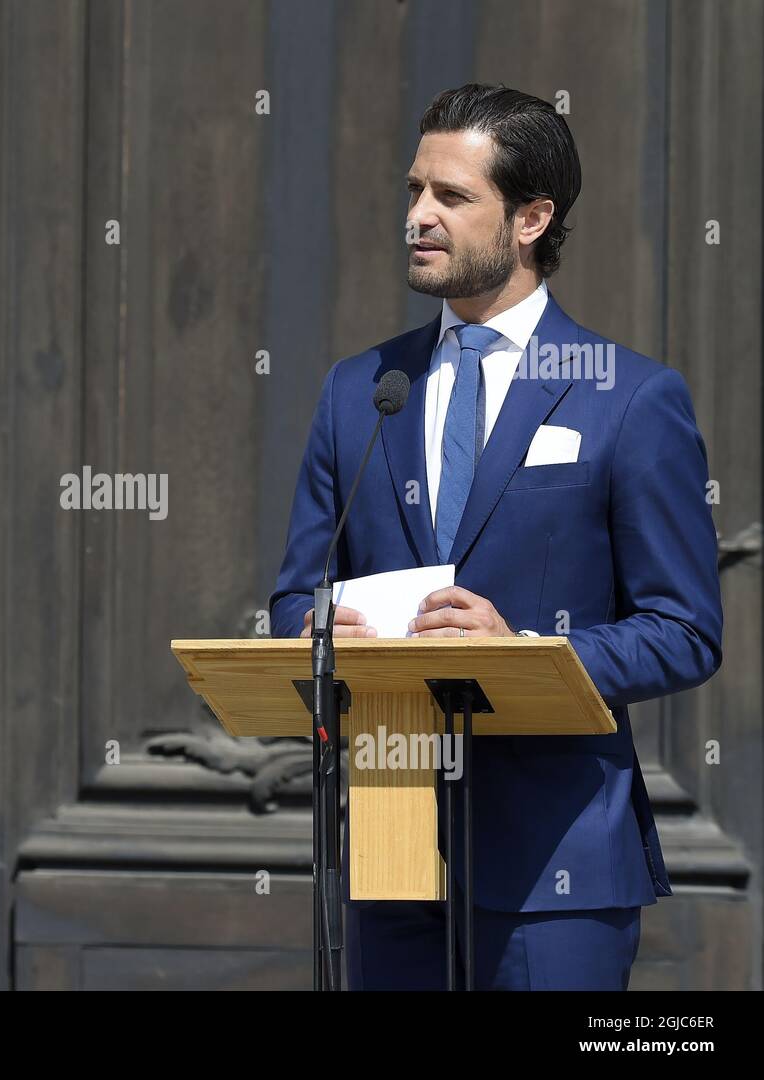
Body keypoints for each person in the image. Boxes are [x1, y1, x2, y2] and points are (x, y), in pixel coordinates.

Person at [270, 84, 722, 989]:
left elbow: (685, 629)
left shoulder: (628, 398)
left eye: (451, 197)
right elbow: (295, 596)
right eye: (413, 192)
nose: (418, 217)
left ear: (532, 219)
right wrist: (315, 632)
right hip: (392, 854)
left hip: (557, 869)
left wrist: (522, 650)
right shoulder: (361, 390)